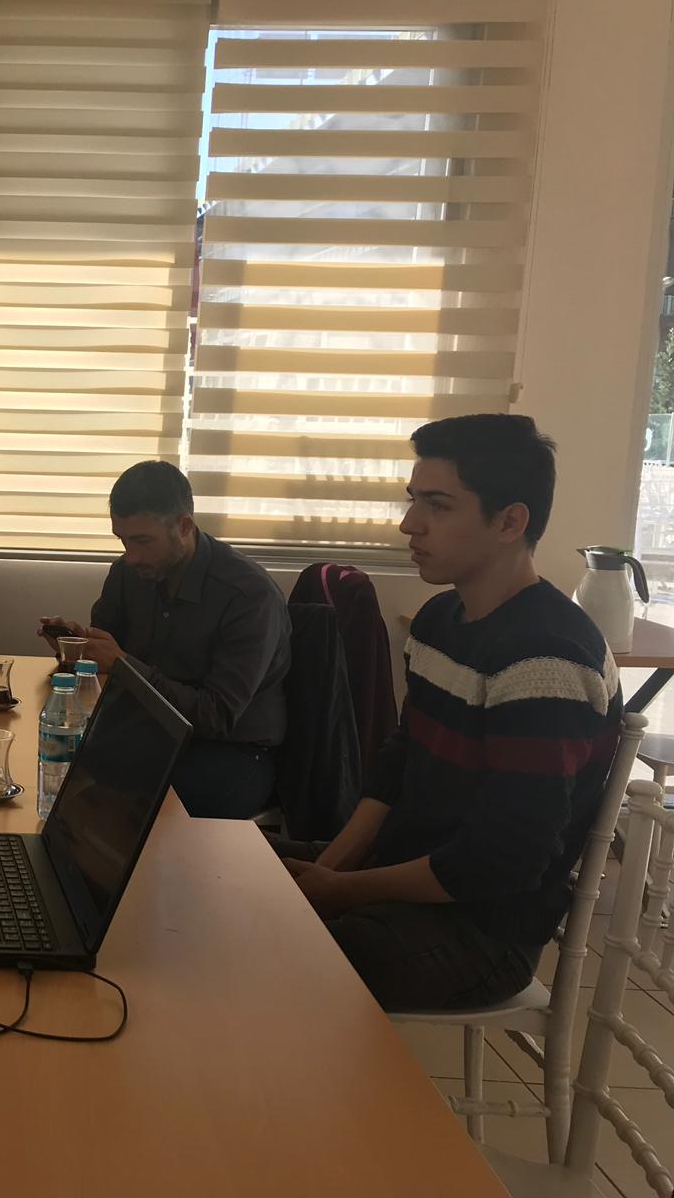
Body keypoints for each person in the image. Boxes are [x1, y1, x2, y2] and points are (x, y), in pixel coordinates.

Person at [274, 414, 622, 1011]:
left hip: (481, 929)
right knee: (230, 869)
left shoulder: (547, 659)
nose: (409, 524)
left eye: (437, 505)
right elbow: (399, 762)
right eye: (413, 500)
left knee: (266, 946)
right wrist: (329, 872)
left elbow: (502, 862)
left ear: (510, 522)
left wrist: (341, 891)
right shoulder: (439, 620)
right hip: (401, 874)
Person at [40, 460, 291, 819]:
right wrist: (79, 650)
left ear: (184, 526)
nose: (131, 556)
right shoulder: (128, 574)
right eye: (123, 540)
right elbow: (106, 669)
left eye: (143, 541)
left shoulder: (247, 595)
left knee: (123, 813)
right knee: (56, 767)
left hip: (231, 751)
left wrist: (123, 664)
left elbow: (216, 715)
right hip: (149, 733)